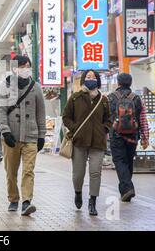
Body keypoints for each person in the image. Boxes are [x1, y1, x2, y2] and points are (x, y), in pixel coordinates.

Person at [0, 55, 46, 216]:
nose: (25, 69)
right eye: (22, 66)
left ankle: (26, 202)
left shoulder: (35, 87)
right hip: (11, 137)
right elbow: (0, 111)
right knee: (11, 171)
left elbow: (40, 113)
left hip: (31, 136)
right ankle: (13, 199)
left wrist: (42, 135)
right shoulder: (5, 86)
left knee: (28, 170)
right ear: (14, 68)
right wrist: (5, 131)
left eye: (27, 66)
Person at [63, 70, 112, 216]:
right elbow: (66, 117)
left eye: (94, 77)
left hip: (97, 141)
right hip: (79, 141)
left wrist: (104, 129)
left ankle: (93, 201)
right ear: (84, 80)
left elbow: (109, 118)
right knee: (78, 173)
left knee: (95, 172)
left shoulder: (103, 100)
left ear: (98, 80)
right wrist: (75, 128)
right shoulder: (75, 98)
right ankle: (78, 192)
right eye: (88, 77)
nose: (91, 79)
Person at [108, 73, 149, 202]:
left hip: (116, 135)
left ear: (118, 83)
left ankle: (127, 187)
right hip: (132, 136)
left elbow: (106, 119)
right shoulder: (136, 98)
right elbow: (142, 119)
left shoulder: (111, 98)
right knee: (128, 161)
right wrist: (145, 137)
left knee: (119, 161)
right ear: (130, 83)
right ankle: (125, 191)